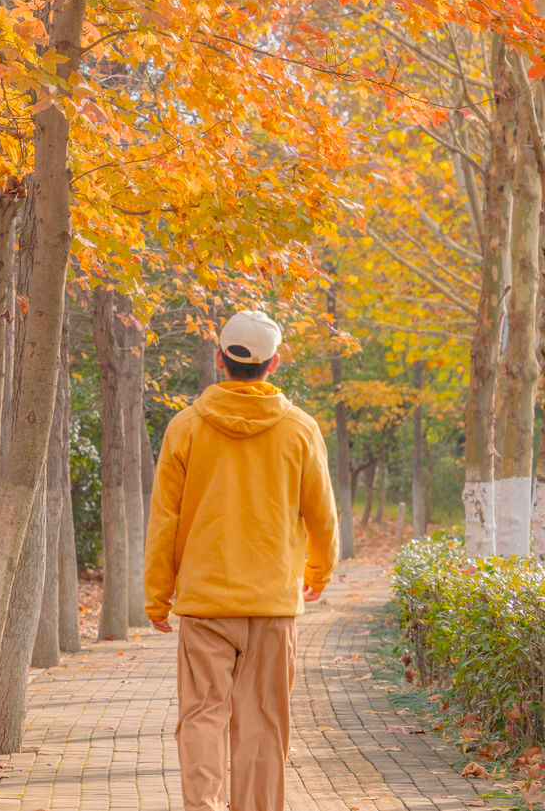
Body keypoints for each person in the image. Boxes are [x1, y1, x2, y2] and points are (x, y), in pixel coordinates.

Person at [143, 309, 339, 811]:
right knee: (263, 723)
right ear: (274, 363)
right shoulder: (300, 429)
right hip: (273, 603)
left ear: (219, 360)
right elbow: (322, 514)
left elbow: (165, 520)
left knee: (202, 716)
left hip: (206, 604)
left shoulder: (184, 429)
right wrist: (318, 573)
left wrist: (157, 598)